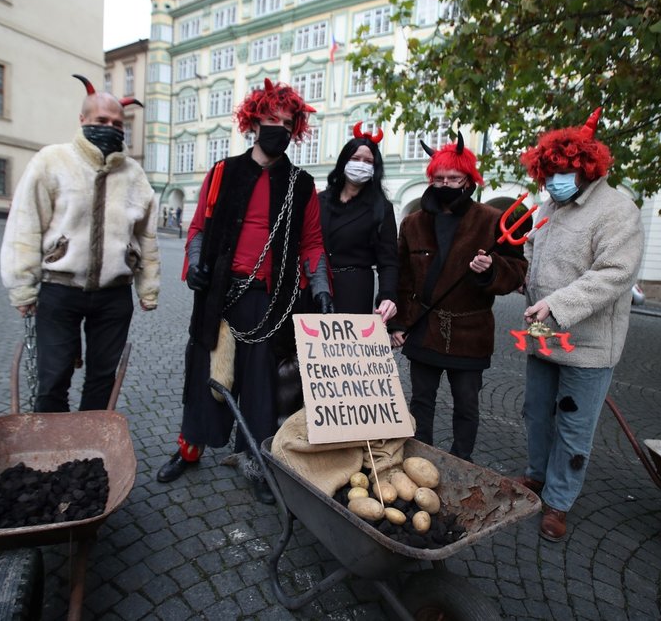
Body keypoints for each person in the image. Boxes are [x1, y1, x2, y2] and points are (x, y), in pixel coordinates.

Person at [156, 78, 332, 504]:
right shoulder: (223, 172)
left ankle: (255, 459)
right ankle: (190, 448)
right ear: (254, 121)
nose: (280, 129)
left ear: (297, 130)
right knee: (206, 375)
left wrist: (322, 289)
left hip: (270, 300)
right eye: (272, 120)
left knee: (259, 385)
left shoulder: (302, 184)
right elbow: (198, 228)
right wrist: (196, 266)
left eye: (287, 123)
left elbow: (311, 244)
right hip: (219, 294)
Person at [516, 108, 644, 542]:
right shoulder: (549, 207)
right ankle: (537, 476)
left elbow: (615, 272)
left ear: (587, 168)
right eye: (548, 172)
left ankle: (559, 501)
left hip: (586, 346)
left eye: (564, 171)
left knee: (573, 427)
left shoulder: (616, 209)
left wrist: (555, 303)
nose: (555, 180)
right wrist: (516, 276)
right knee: (536, 414)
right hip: (542, 336)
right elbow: (532, 255)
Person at [0, 74, 160, 413]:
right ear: (83, 120)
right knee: (53, 378)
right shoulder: (51, 161)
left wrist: (148, 288)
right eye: (102, 120)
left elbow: (146, 235)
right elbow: (25, 224)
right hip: (60, 289)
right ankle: (50, 452)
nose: (110, 127)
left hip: (114, 295)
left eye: (117, 123)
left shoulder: (134, 175)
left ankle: (88, 449)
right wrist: (22, 288)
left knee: (102, 379)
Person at [390, 133, 527, 463]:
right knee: (421, 400)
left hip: (471, 331)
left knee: (467, 403)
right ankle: (418, 458)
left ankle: (460, 462)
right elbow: (403, 277)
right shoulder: (412, 223)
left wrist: (491, 269)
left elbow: (518, 269)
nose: (446, 184)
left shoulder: (492, 220)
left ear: (469, 180)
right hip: (424, 327)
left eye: (454, 178)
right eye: (439, 178)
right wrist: (398, 323)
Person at [319, 123, 398, 320]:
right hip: (318, 286)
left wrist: (387, 295)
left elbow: (388, 260)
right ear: (344, 161)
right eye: (355, 158)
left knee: (344, 350)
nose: (360, 164)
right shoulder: (321, 200)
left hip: (354, 288)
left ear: (375, 167)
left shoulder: (381, 208)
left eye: (368, 161)